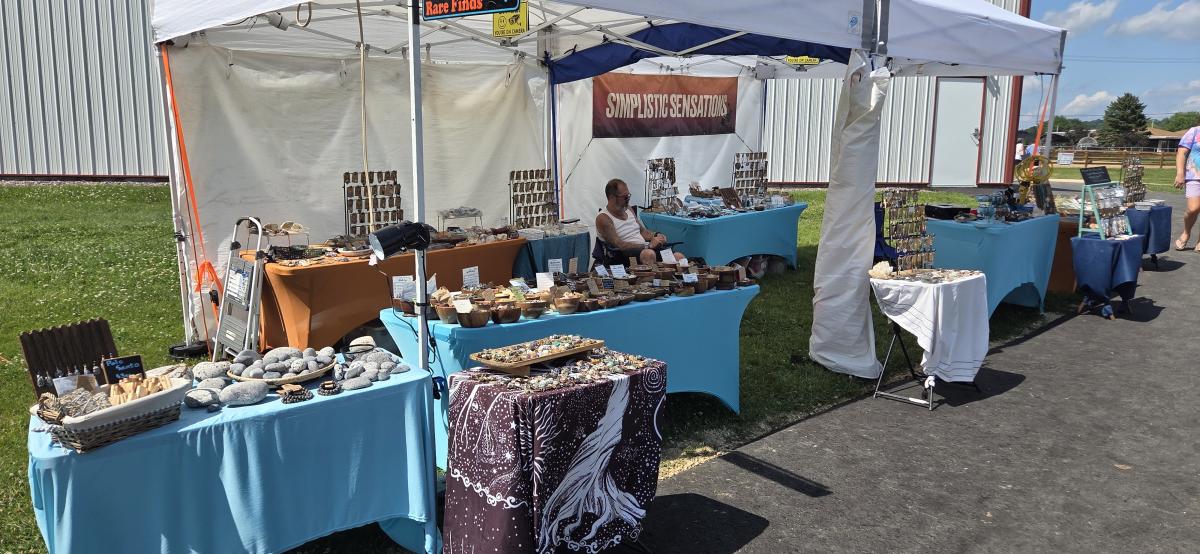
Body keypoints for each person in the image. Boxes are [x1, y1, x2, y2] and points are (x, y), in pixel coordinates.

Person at [595, 178, 687, 265]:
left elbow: (642, 232)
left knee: (679, 257)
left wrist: (656, 235)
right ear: (612, 198)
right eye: (625, 197)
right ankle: (651, 276)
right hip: (622, 255)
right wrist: (648, 246)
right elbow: (620, 245)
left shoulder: (628, 209)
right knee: (649, 254)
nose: (628, 200)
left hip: (644, 249)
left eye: (628, 196)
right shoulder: (603, 218)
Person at [1173, 126, 1200, 251]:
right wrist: (1180, 173)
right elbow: (1181, 153)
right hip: (1194, 175)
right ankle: (1186, 232)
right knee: (1193, 208)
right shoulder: (1194, 131)